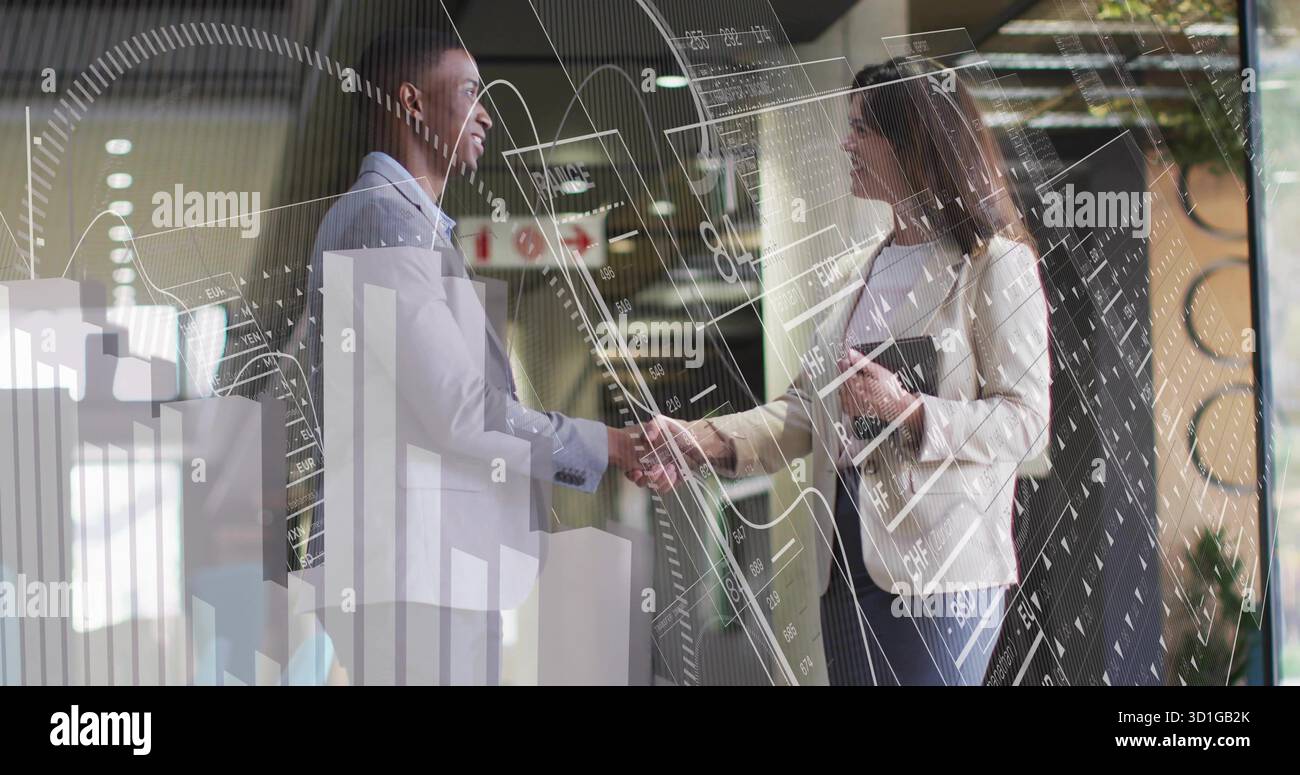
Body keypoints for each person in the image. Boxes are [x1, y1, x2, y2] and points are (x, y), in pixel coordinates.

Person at [638, 62, 1050, 685]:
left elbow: (1026, 426)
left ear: (912, 141)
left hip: (940, 575)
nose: (846, 143)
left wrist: (908, 411)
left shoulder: (994, 266)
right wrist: (700, 439)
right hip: (846, 565)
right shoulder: (861, 273)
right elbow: (804, 412)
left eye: (862, 128)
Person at [289, 27, 674, 685]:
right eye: (469, 92)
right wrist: (606, 442)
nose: (486, 112)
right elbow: (457, 410)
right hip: (417, 577)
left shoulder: (396, 222)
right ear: (411, 103)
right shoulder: (383, 220)